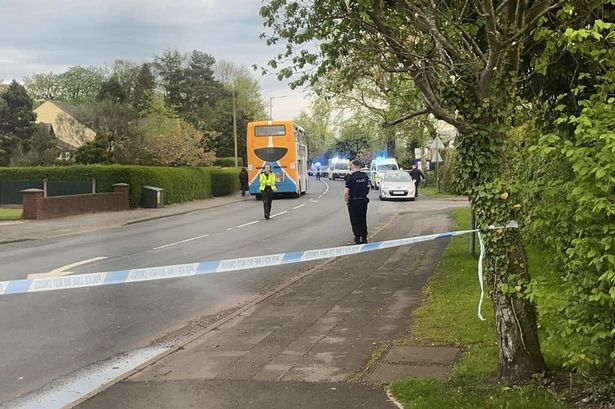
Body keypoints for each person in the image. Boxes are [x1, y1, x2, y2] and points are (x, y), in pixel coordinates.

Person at [344, 159, 370, 244]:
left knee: (354, 220)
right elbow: (368, 188)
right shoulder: (365, 176)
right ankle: (364, 237)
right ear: (359, 166)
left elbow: (346, 192)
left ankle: (357, 237)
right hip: (363, 201)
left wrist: (347, 201)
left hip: (353, 202)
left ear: (353, 166)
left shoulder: (350, 177)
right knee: (363, 218)